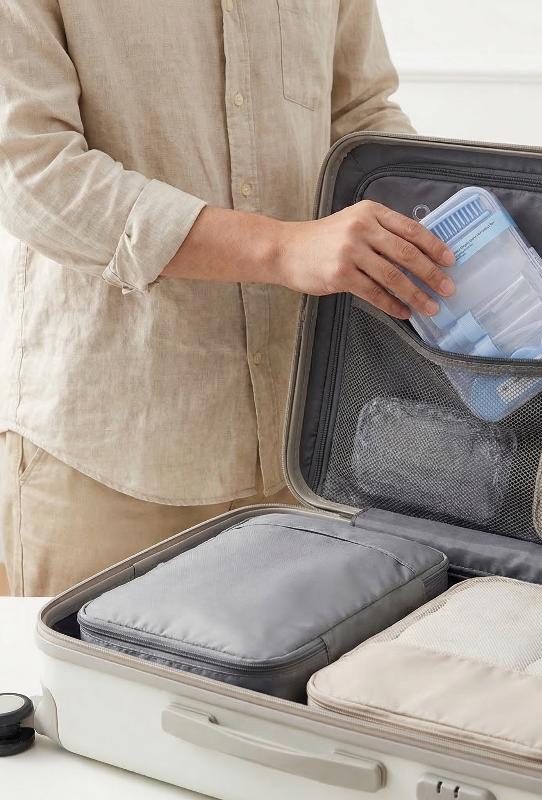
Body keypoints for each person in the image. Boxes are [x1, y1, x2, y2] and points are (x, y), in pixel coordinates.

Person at [0, 1, 454, 596]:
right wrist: (281, 248)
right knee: (85, 659)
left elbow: (361, 115)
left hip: (307, 443)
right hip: (111, 453)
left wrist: (452, 228)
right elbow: (31, 172)